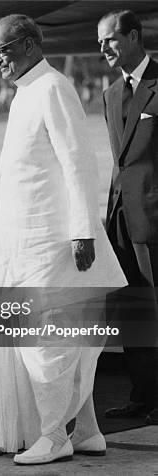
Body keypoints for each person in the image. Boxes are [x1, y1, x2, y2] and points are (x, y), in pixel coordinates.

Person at [0, 15, 127, 464]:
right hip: (27, 242)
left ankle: (54, 435)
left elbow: (78, 163)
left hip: (57, 243)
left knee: (47, 340)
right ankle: (86, 429)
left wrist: (83, 231)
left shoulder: (52, 87)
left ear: (28, 45)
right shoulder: (25, 93)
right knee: (66, 338)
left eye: (3, 51)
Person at [98, 9, 158, 425]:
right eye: (100, 42)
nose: (103, 48)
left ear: (134, 36)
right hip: (121, 221)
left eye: (110, 40)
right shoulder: (110, 94)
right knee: (134, 312)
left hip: (155, 220)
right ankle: (143, 394)